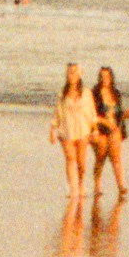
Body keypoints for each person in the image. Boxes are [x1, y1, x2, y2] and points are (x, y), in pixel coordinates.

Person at [49, 63, 94, 209]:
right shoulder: (63, 93)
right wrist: (52, 129)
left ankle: (81, 184)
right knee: (70, 159)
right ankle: (72, 188)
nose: (71, 75)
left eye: (74, 73)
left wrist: (94, 129)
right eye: (69, 73)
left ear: (80, 74)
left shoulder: (86, 93)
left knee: (81, 161)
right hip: (66, 129)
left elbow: (91, 112)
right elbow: (58, 112)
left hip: (82, 129)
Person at [89, 65, 129, 206]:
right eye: (102, 76)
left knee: (116, 158)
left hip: (115, 128)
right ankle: (97, 185)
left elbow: (119, 113)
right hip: (100, 129)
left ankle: (121, 186)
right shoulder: (94, 94)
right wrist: (103, 121)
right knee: (100, 157)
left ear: (111, 77)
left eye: (107, 76)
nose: (104, 79)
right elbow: (91, 114)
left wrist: (125, 115)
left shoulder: (116, 93)